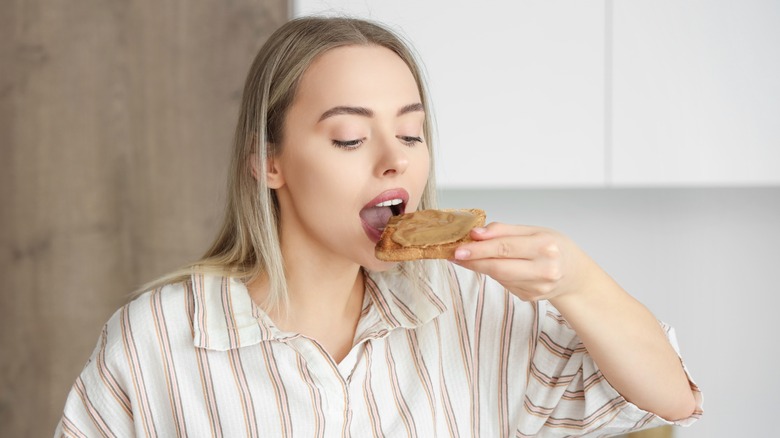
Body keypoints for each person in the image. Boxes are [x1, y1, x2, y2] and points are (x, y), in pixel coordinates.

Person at [56, 16, 702, 437]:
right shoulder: (161, 340)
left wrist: (578, 282)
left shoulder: (472, 311)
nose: (395, 158)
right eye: (349, 136)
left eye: (411, 132)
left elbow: (669, 400)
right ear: (269, 162)